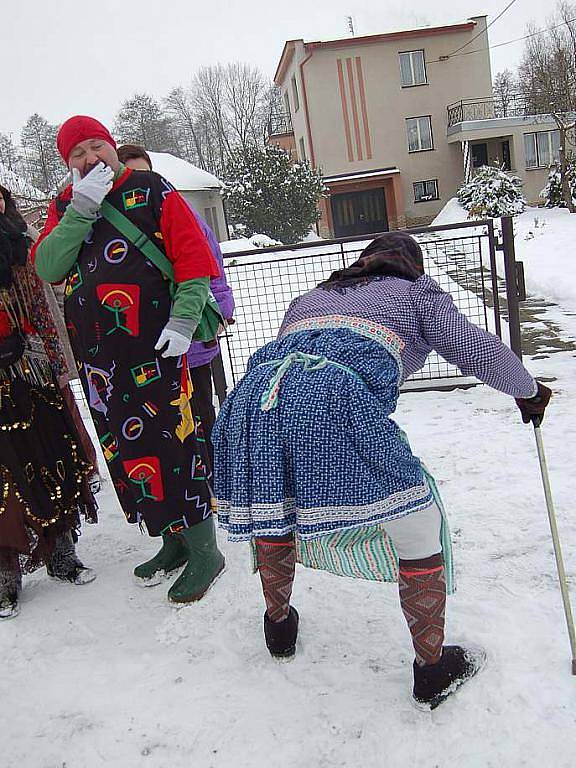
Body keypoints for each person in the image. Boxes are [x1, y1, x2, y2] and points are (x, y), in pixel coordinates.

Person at [212, 232, 552, 710]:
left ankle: (279, 627)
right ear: (411, 264)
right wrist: (527, 388)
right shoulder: (417, 292)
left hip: (252, 401)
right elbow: (472, 346)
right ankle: (432, 670)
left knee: (278, 502)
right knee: (415, 518)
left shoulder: (314, 296)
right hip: (332, 395)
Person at [32, 116, 225, 604]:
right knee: (130, 452)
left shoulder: (151, 188)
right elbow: (48, 266)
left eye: (96, 145)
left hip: (157, 349)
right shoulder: (65, 206)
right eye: (77, 153)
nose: (89, 157)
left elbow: (192, 256)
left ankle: (205, 549)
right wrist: (80, 211)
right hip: (100, 363)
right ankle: (171, 540)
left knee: (174, 445)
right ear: (67, 164)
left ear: (113, 147)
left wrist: (184, 322)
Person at [0, 183, 98, 620]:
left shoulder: (25, 243)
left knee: (52, 459)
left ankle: (61, 551)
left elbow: (46, 306)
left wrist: (60, 362)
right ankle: (5, 574)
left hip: (34, 372)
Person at [116, 144, 235, 466]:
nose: (139, 182)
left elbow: (212, 268)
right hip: (141, 341)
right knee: (160, 416)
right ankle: (181, 476)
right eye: (131, 175)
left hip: (191, 332)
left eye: (145, 173)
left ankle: (212, 473)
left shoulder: (182, 214)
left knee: (200, 407)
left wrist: (221, 308)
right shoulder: (112, 227)